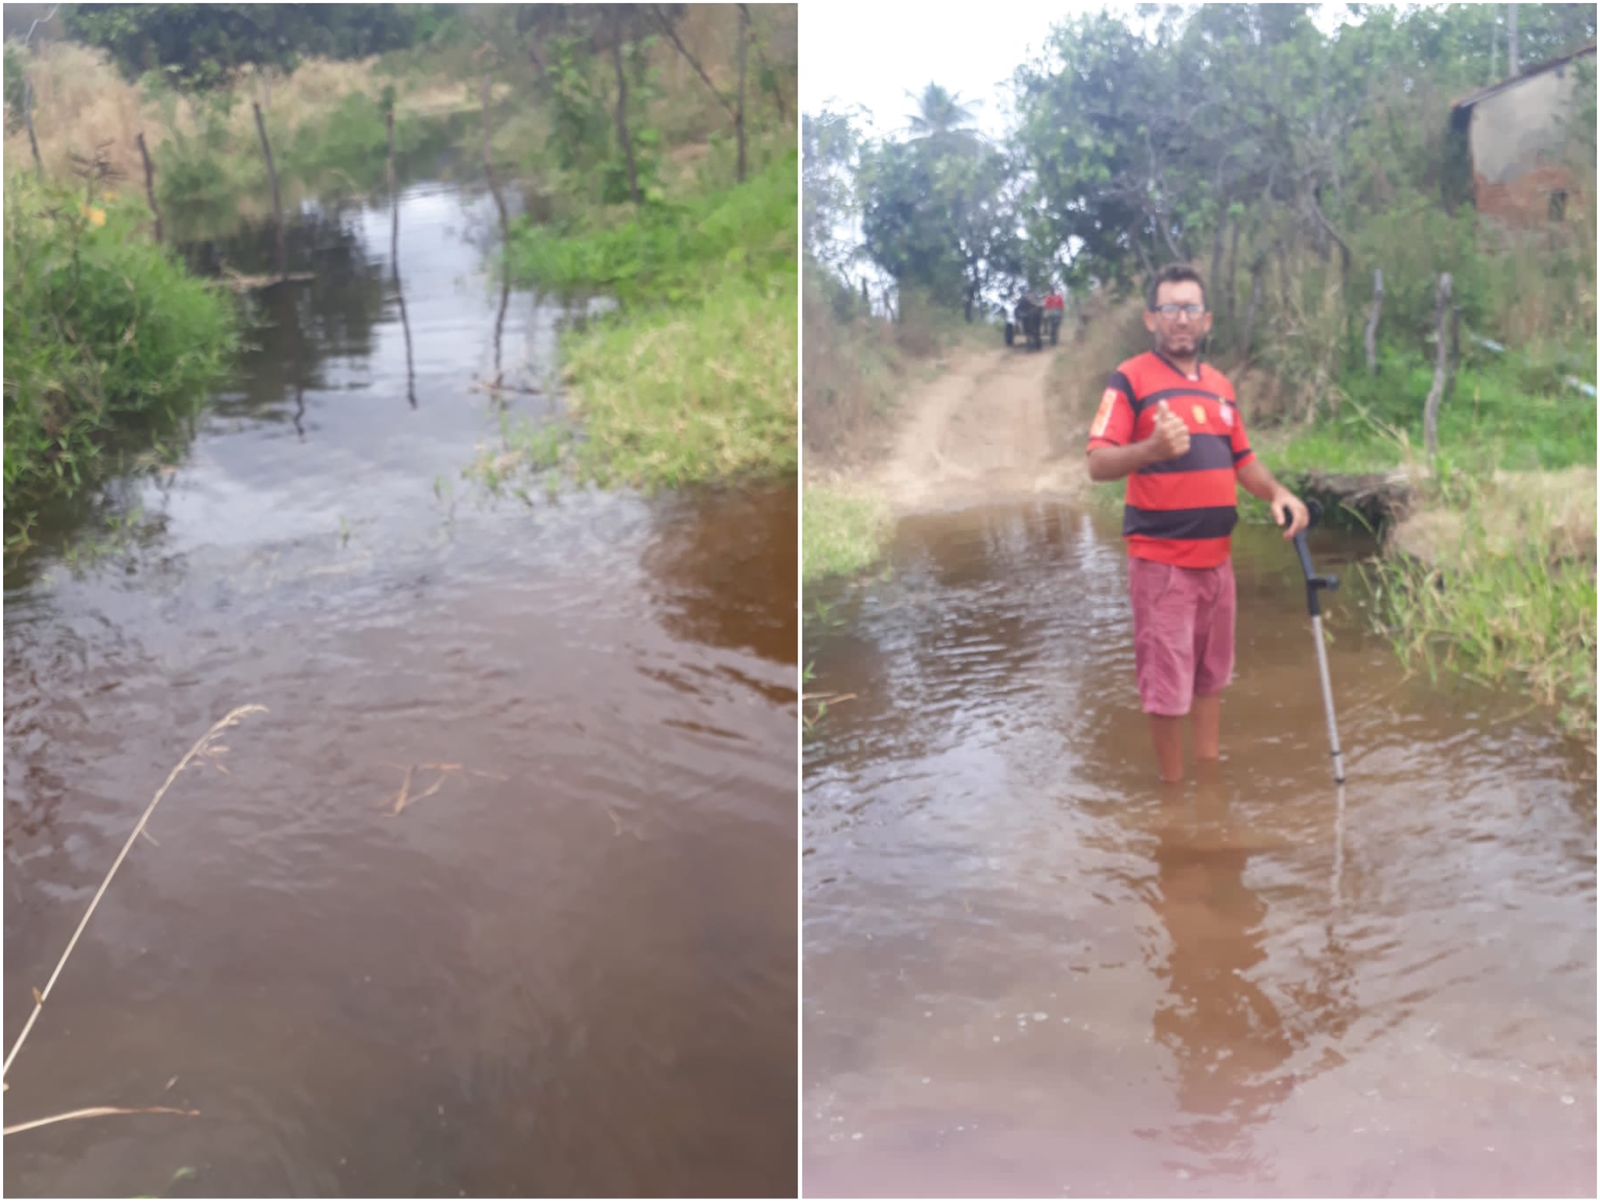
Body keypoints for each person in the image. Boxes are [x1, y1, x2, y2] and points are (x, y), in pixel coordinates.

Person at [1086, 264, 1309, 783]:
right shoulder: (1131, 379)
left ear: (1206, 321)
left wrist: (1278, 492)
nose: (1180, 319)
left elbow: (1244, 462)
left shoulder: (1221, 388)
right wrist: (1151, 449)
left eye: (1190, 309)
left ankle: (1206, 786)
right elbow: (1097, 464)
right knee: (1167, 693)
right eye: (1169, 308)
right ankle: (1173, 795)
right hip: (1163, 567)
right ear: (1151, 319)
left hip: (1218, 567)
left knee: (1212, 681)